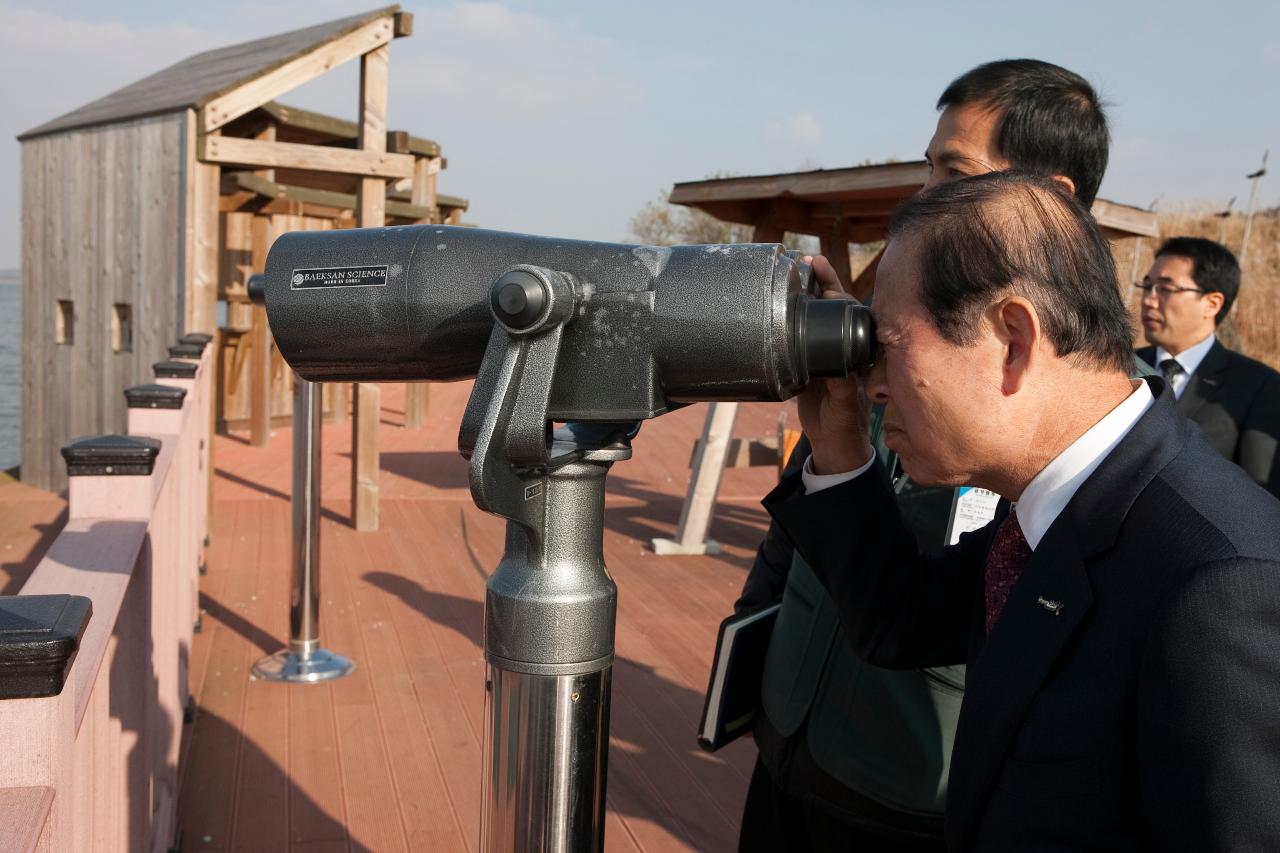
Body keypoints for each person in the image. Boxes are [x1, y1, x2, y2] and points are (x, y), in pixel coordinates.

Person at [766, 171, 1280, 850]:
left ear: (1013, 338)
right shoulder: (1060, 503)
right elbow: (904, 618)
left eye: (887, 345)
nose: (876, 384)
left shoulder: (1218, 581)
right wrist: (837, 443)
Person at [736, 59, 1116, 852]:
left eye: (955, 172)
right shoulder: (885, 349)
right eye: (928, 166)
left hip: (908, 781)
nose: (924, 195)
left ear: (1048, 201)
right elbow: (807, 525)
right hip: (793, 734)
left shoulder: (1092, 421)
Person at [1135, 236, 1280, 496]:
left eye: (1165, 289)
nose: (1149, 300)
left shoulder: (1259, 387)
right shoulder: (1118, 365)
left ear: (1212, 304)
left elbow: (1260, 494)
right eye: (1147, 286)